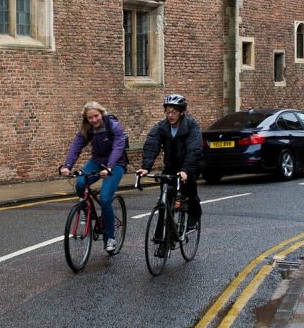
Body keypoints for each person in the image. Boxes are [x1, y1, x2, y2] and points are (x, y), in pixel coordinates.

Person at [60, 101, 129, 253]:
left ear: (101, 113)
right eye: (90, 118)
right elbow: (76, 147)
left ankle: (110, 237)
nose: (94, 120)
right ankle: (85, 208)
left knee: (105, 198)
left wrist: (110, 166)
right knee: (79, 183)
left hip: (116, 163)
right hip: (97, 161)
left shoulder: (113, 126)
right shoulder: (87, 129)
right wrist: (67, 166)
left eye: (96, 116)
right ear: (86, 119)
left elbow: (118, 147)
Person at [137, 94, 203, 239]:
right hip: (171, 166)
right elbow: (151, 145)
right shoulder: (161, 126)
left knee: (189, 191)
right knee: (165, 199)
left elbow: (194, 149)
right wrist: (146, 167)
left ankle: (194, 216)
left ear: (181, 112)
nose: (170, 115)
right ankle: (161, 236)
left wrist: (186, 170)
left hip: (189, 166)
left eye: (174, 111)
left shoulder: (191, 126)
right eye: (168, 111)